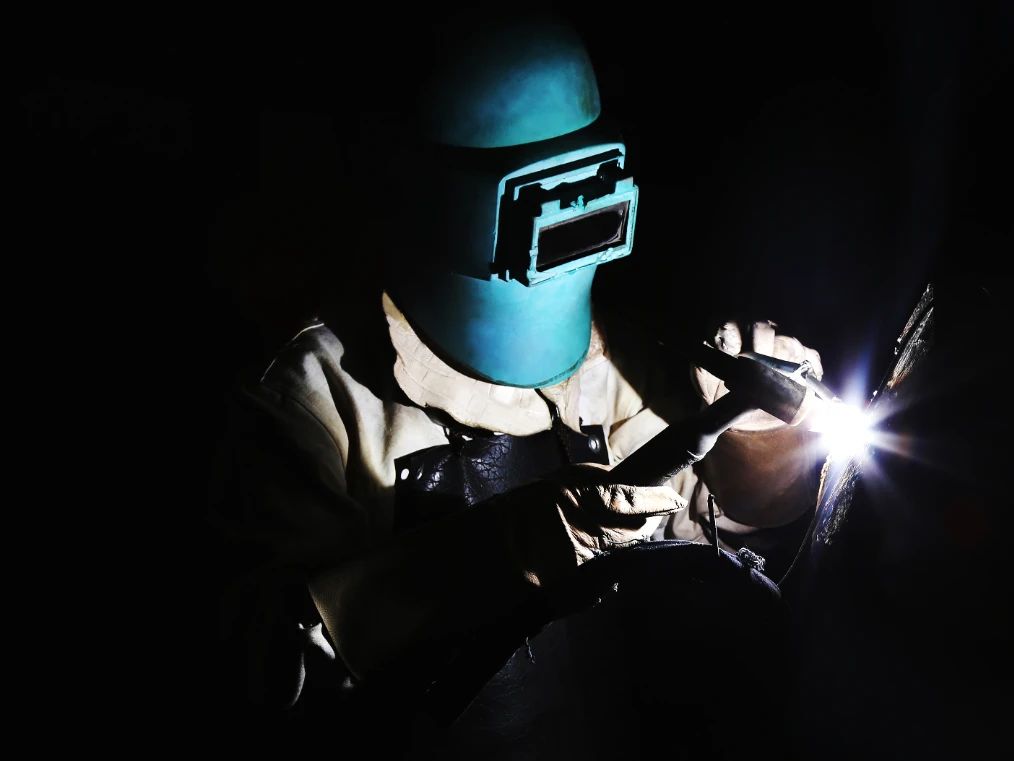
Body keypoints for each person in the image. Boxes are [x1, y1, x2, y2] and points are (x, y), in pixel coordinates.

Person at [213, 16, 824, 729]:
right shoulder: (315, 400)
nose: (567, 223)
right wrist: (503, 552)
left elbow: (730, 540)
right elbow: (265, 676)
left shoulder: (620, 359)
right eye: (544, 209)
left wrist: (763, 441)